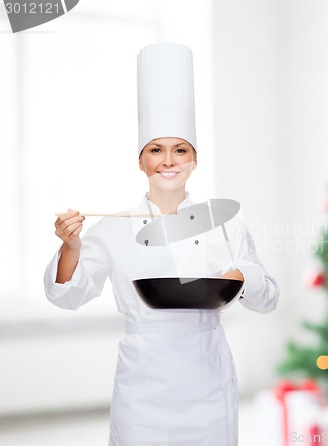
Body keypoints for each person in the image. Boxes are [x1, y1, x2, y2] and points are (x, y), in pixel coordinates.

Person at [44, 42, 279, 446]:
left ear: (194, 159)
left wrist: (243, 277)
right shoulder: (113, 229)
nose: (168, 161)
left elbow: (269, 298)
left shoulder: (224, 224)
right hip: (143, 390)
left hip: (207, 383)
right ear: (141, 161)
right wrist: (71, 247)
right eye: (156, 150)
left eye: (180, 150)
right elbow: (67, 296)